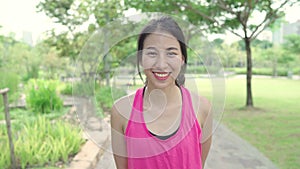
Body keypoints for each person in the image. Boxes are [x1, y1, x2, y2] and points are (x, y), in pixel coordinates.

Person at [111, 16, 212, 169]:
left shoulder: (203, 108)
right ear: (140, 58)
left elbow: (199, 164)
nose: (161, 64)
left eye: (171, 53)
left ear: (182, 59)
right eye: (152, 53)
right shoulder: (121, 111)